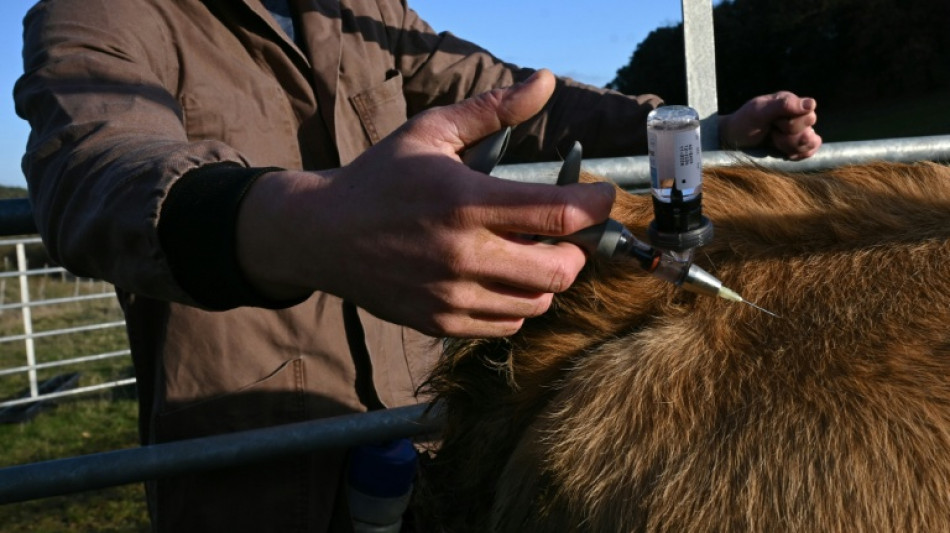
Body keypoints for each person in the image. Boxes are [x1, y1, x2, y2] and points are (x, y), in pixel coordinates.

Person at [13, 0, 821, 531]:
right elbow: (91, 169)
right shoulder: (102, 12)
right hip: (253, 470)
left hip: (425, 441)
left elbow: (517, 94)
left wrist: (698, 131)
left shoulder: (359, 11)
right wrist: (305, 226)